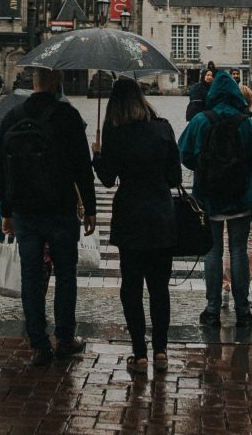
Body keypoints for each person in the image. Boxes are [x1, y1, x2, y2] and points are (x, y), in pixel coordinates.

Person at [0, 67, 97, 366]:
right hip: (60, 207)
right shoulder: (68, 116)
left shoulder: (12, 117)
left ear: (34, 83)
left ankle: (39, 344)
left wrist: (6, 212)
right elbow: (83, 166)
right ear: (57, 84)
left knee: (30, 276)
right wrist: (90, 208)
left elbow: (2, 170)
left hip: (25, 210)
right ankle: (65, 338)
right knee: (66, 274)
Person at [91, 77, 181, 373]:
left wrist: (97, 154)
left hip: (130, 214)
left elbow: (106, 179)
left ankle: (140, 354)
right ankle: (162, 351)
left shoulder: (116, 133)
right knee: (159, 288)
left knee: (131, 286)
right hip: (160, 214)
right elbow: (175, 178)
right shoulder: (164, 127)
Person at [178, 70, 252, 330]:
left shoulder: (200, 120)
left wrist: (202, 165)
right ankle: (243, 310)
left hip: (208, 196)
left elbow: (183, 154)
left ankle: (212, 309)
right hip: (242, 196)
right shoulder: (247, 123)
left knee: (213, 251)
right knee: (239, 251)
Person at [221, 84, 252, 307]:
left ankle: (224, 284)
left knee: (225, 242)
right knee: (248, 242)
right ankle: (244, 288)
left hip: (221, 190)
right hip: (249, 191)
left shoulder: (214, 121)